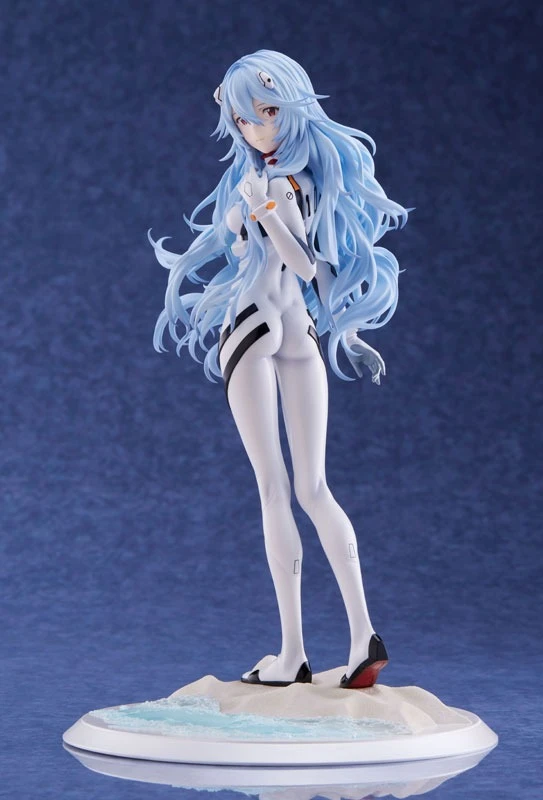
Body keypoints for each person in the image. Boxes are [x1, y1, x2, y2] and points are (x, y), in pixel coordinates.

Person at [151, 50, 410, 688]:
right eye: (244, 119)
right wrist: (348, 332)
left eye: (266, 112)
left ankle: (294, 653)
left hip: (255, 323)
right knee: (313, 488)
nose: (257, 127)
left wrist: (262, 211)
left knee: (277, 489)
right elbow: (319, 274)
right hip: (300, 330)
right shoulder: (308, 179)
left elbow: (302, 262)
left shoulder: (275, 184)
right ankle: (363, 635)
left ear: (291, 107)